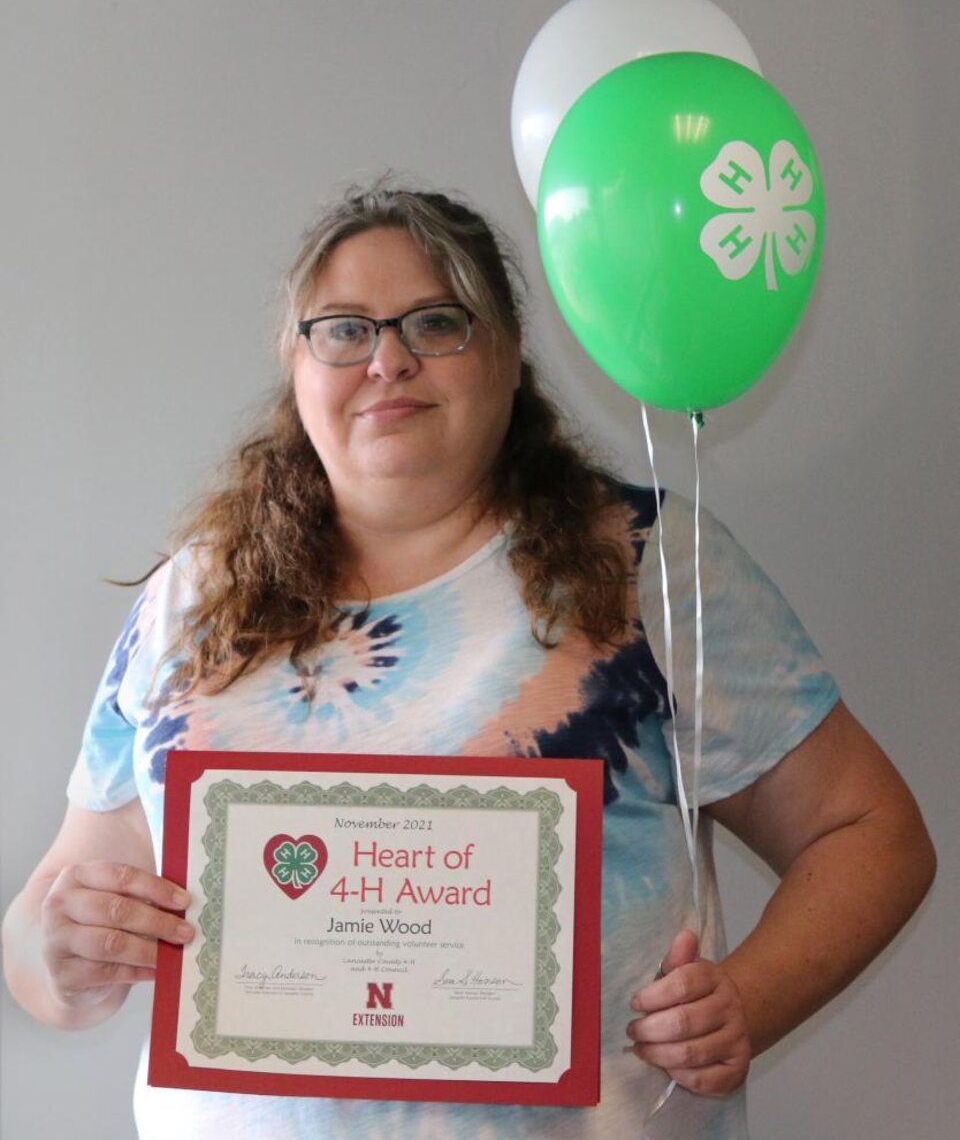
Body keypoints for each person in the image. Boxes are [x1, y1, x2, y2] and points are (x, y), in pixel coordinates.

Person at [2, 184, 935, 1140]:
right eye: (343, 329)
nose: (388, 358)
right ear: (297, 363)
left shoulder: (644, 563)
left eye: (437, 321)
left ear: (509, 354)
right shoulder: (191, 601)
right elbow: (47, 924)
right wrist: (58, 953)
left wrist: (750, 996)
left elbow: (871, 830)